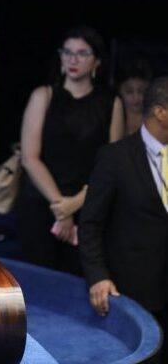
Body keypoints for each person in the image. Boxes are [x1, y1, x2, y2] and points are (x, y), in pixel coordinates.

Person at [15, 26, 124, 275]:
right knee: (37, 278)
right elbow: (30, 158)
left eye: (82, 53)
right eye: (67, 52)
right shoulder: (43, 96)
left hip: (88, 204)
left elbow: (112, 164)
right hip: (41, 202)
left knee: (80, 279)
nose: (73, 59)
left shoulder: (111, 103)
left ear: (97, 61)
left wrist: (75, 204)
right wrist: (61, 208)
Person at [79, 77, 168, 362]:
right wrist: (98, 276)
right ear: (160, 112)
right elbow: (90, 223)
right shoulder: (115, 158)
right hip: (134, 292)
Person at [116, 59, 152, 136]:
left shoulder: (155, 123)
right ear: (120, 92)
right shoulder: (110, 121)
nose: (136, 97)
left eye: (141, 91)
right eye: (129, 91)